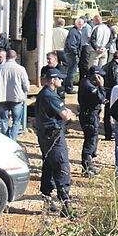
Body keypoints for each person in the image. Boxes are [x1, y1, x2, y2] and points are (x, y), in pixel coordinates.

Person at [36, 68, 76, 216]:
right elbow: (66, 115)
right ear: (52, 80)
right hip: (53, 137)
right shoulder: (50, 96)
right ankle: (66, 205)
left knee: (49, 165)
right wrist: (70, 115)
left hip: (45, 136)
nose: (61, 80)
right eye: (59, 78)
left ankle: (47, 199)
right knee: (61, 166)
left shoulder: (44, 95)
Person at [0, 49, 29, 140]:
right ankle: (12, 139)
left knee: (4, 120)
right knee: (16, 121)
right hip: (16, 97)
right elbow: (26, 85)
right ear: (16, 57)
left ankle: (6, 139)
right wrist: (24, 92)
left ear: (6, 57)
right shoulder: (21, 69)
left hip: (2, 97)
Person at [77, 66, 106, 177]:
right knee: (90, 142)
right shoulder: (89, 86)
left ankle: (89, 164)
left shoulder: (85, 81)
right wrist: (101, 86)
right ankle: (87, 168)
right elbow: (101, 99)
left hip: (88, 114)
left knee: (92, 139)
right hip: (90, 116)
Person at [102, 50, 118, 139]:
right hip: (113, 92)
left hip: (107, 91)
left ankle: (108, 133)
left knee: (107, 113)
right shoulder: (117, 68)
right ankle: (117, 132)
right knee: (116, 112)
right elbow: (117, 82)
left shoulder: (106, 66)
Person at [62, 18, 86, 95]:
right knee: (71, 72)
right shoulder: (73, 32)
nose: (81, 26)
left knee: (70, 71)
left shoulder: (76, 31)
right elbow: (71, 44)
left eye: (82, 24)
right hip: (72, 55)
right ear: (76, 24)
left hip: (71, 54)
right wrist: (76, 54)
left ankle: (67, 86)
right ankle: (69, 88)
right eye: (79, 24)